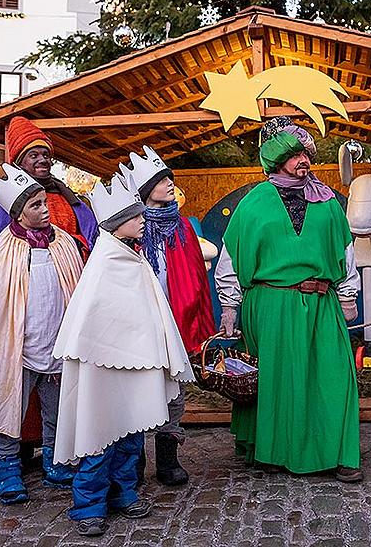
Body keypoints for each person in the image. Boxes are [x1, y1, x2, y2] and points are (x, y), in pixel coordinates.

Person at [214, 118, 362, 481]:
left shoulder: (327, 203)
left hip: (321, 303)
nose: (303, 161)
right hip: (269, 305)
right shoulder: (253, 203)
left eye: (306, 153)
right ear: (276, 158)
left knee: (332, 376)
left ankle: (339, 452)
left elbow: (345, 252)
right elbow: (231, 257)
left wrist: (347, 296)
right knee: (277, 381)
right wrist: (230, 307)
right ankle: (272, 449)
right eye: (294, 154)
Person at [0, 115, 97, 476]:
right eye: (33, 155)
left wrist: (78, 248)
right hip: (17, 322)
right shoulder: (1, 214)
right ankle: (8, 462)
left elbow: (91, 241)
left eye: (46, 154)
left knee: (55, 400)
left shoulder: (71, 201)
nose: (43, 160)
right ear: (19, 161)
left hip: (58, 317)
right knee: (9, 392)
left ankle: (55, 456)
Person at [52, 174, 194, 537]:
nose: (143, 221)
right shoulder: (104, 264)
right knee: (98, 438)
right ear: (119, 224)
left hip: (135, 365)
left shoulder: (133, 259)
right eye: (137, 217)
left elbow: (149, 312)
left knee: (130, 435)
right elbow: (94, 321)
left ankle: (124, 493)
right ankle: (89, 504)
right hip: (102, 370)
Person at [0, 164, 83, 504]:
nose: (45, 210)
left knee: (57, 411)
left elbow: (73, 286)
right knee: (9, 410)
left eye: (45, 203)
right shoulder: (5, 249)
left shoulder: (62, 243)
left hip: (56, 342)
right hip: (17, 345)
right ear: (18, 212)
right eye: (36, 206)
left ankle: (56, 462)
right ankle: (7, 469)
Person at [117, 146, 215, 486]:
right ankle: (135, 460)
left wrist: (195, 323)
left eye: (169, 177)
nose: (169, 183)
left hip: (175, 320)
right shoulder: (130, 229)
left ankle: (168, 458)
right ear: (145, 191)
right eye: (161, 180)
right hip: (140, 322)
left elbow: (196, 280)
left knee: (173, 392)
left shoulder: (183, 228)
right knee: (139, 389)